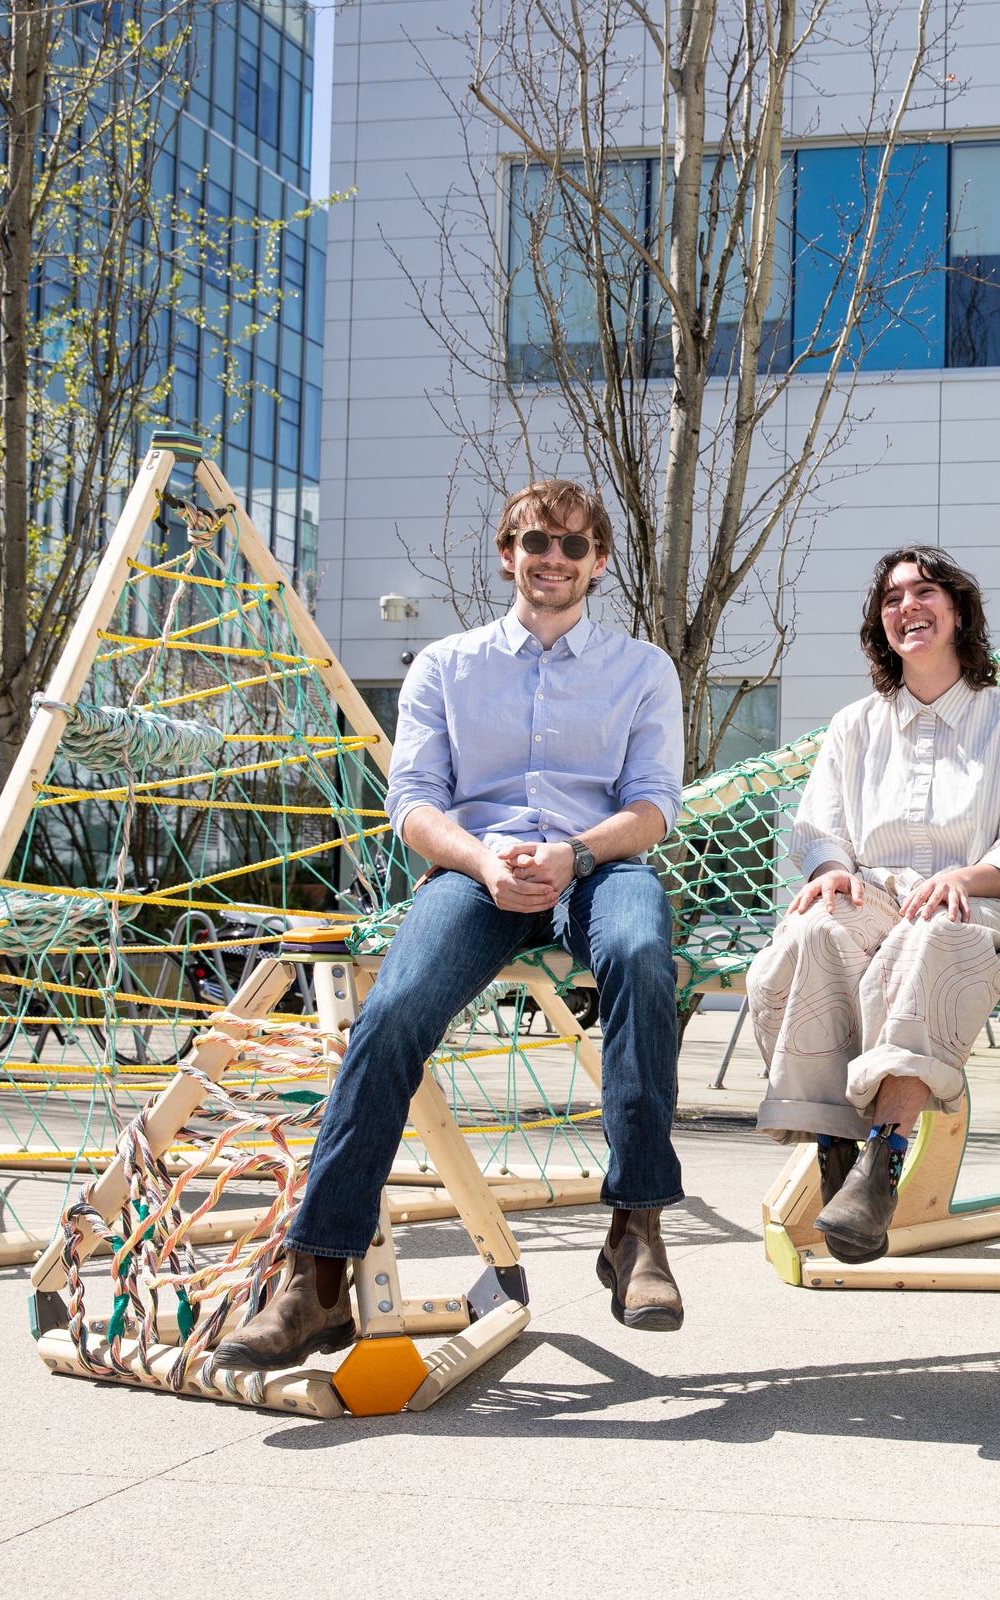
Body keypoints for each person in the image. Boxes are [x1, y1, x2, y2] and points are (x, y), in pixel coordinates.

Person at [215, 479, 691, 1368]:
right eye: (534, 542)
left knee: (638, 949)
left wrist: (575, 858)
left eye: (572, 545)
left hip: (600, 866)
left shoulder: (642, 669)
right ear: (507, 554)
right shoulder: (445, 665)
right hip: (475, 871)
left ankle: (637, 1231)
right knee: (390, 1014)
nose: (553, 557)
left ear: (599, 563)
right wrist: (481, 861)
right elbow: (414, 803)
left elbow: (655, 805)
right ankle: (316, 1282)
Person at [747, 546, 1000, 1263]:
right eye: (891, 599)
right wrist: (828, 869)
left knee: (933, 929)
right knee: (817, 930)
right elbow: (818, 826)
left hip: (995, 909)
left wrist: (969, 878)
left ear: (958, 613)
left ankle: (886, 1153)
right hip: (883, 899)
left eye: (924, 592)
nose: (907, 607)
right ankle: (833, 1140)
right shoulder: (855, 726)